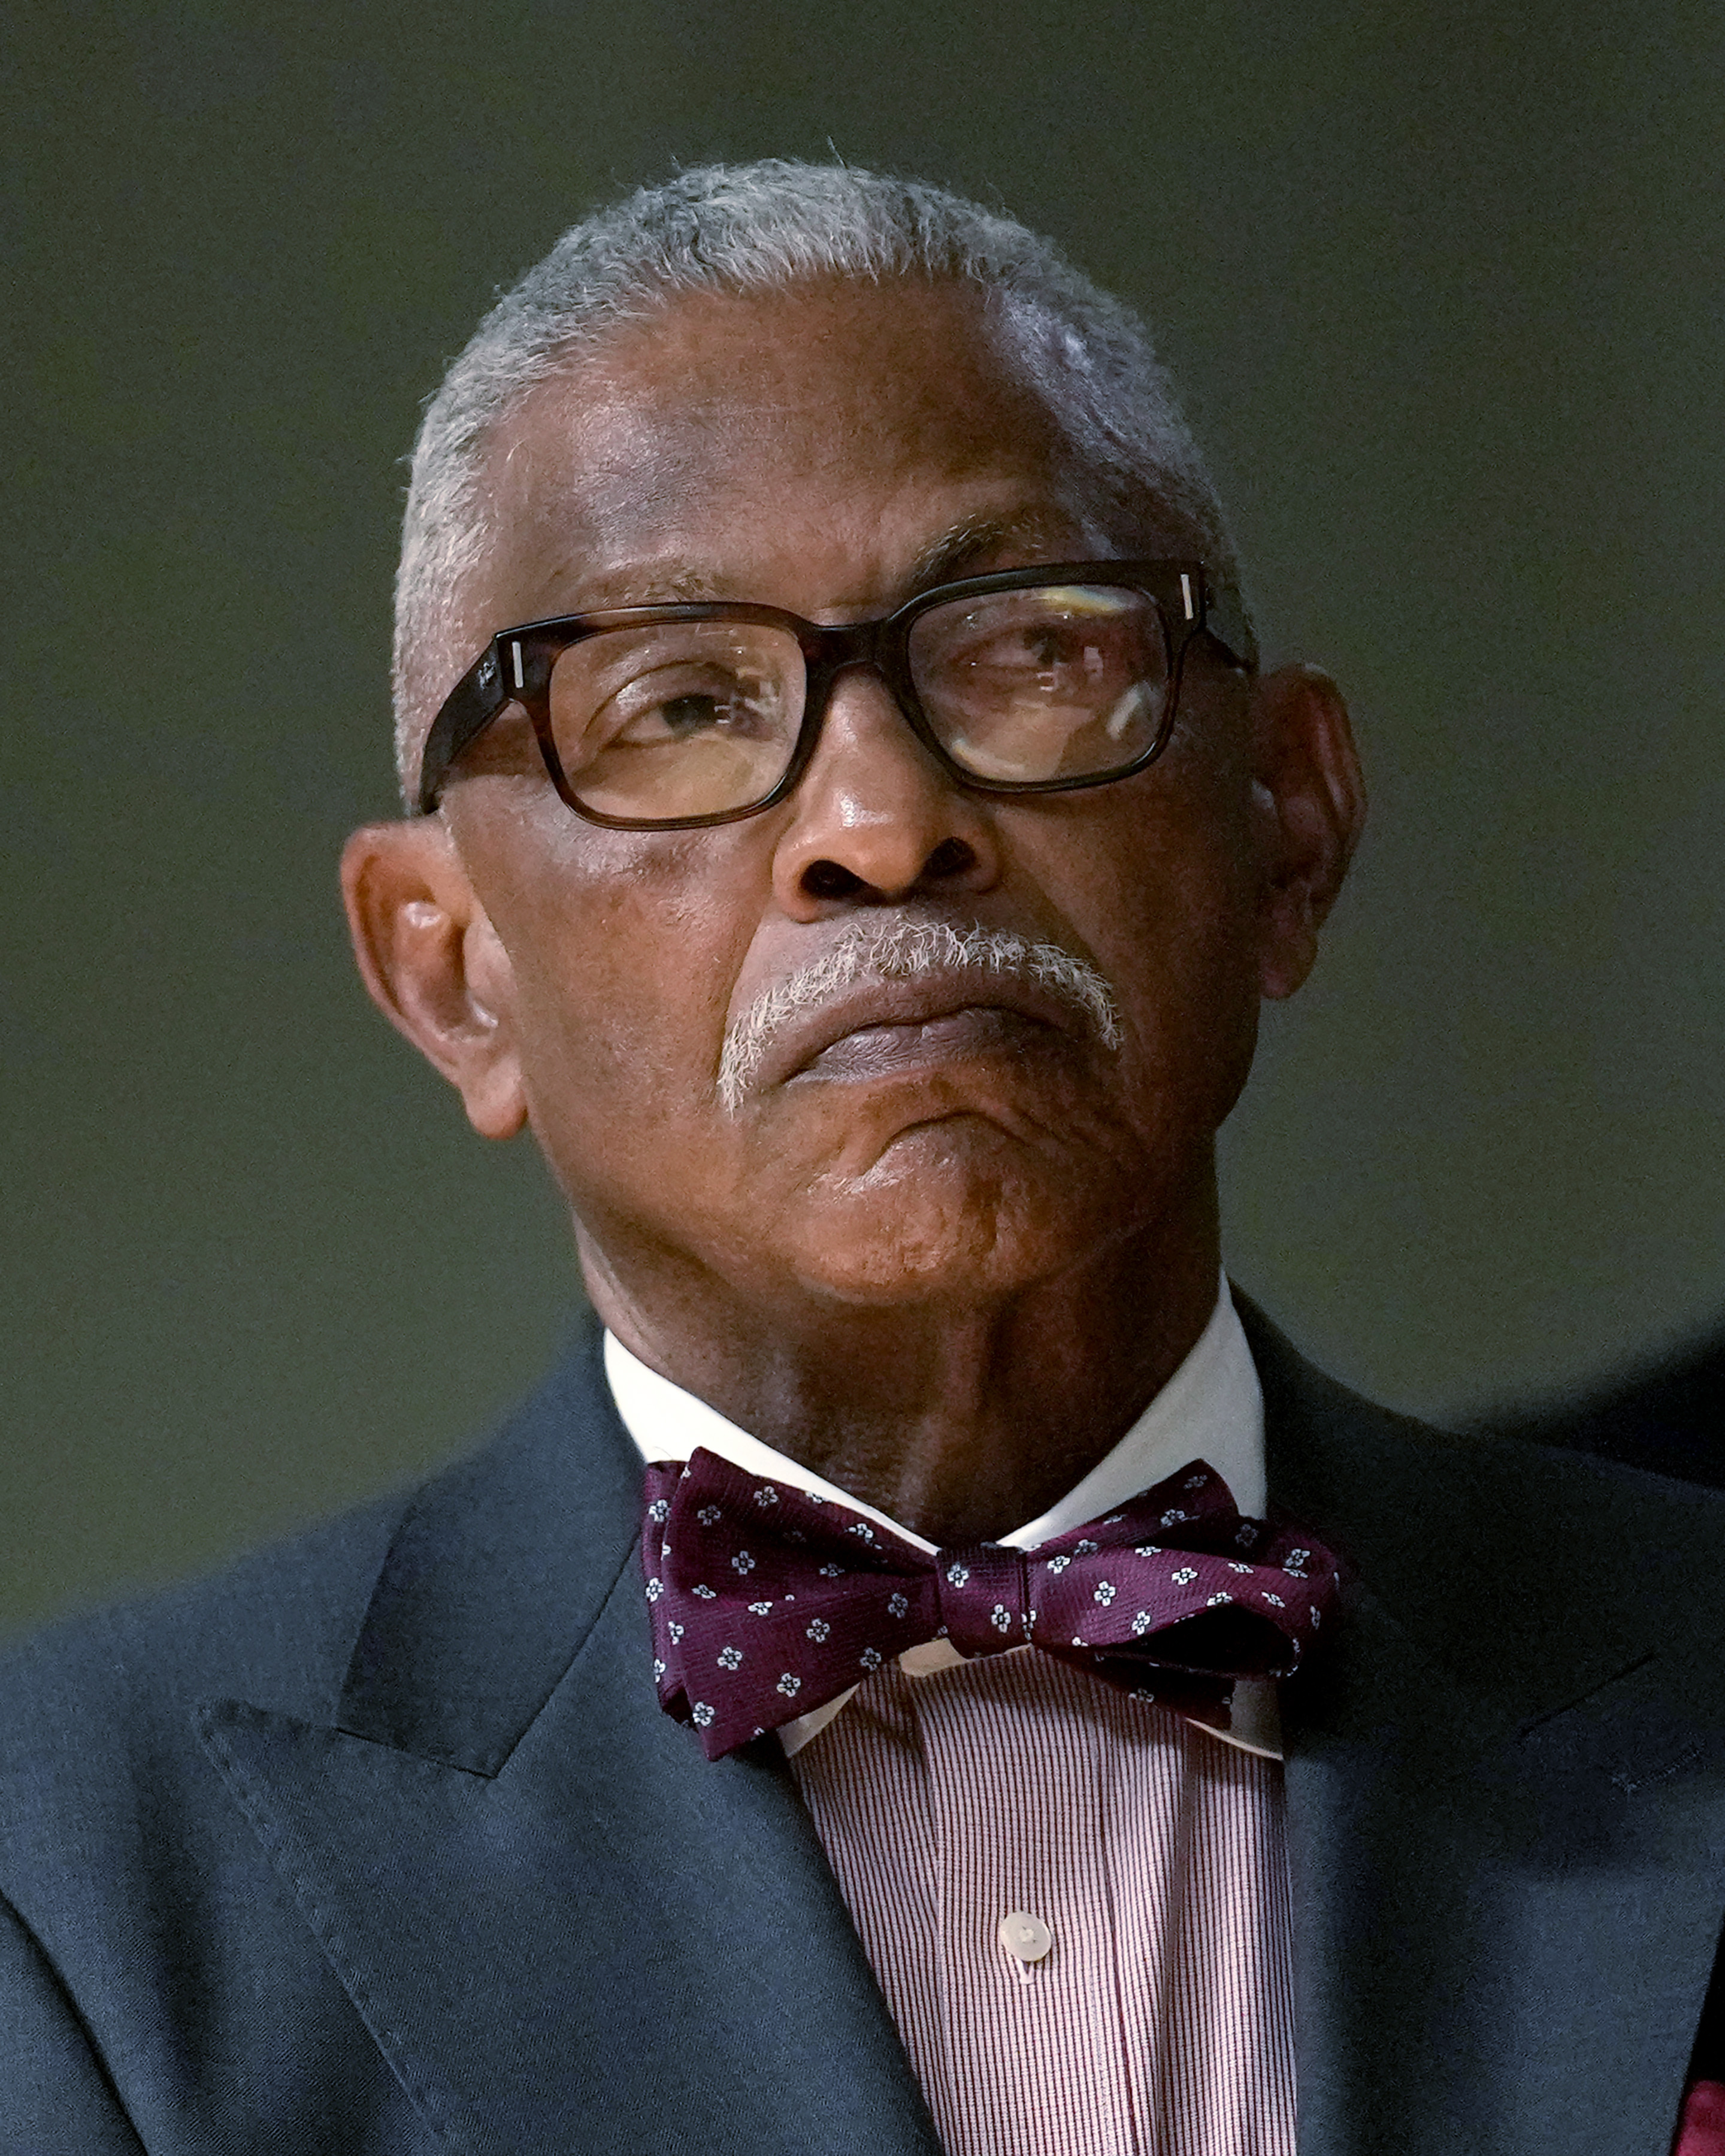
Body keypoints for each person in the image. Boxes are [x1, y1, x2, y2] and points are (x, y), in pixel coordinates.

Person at [4, 161, 1723, 2156]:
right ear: (449, 974)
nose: (883, 820)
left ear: (1290, 827)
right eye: (680, 703)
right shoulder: (80, 1895)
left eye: (1027, 647)